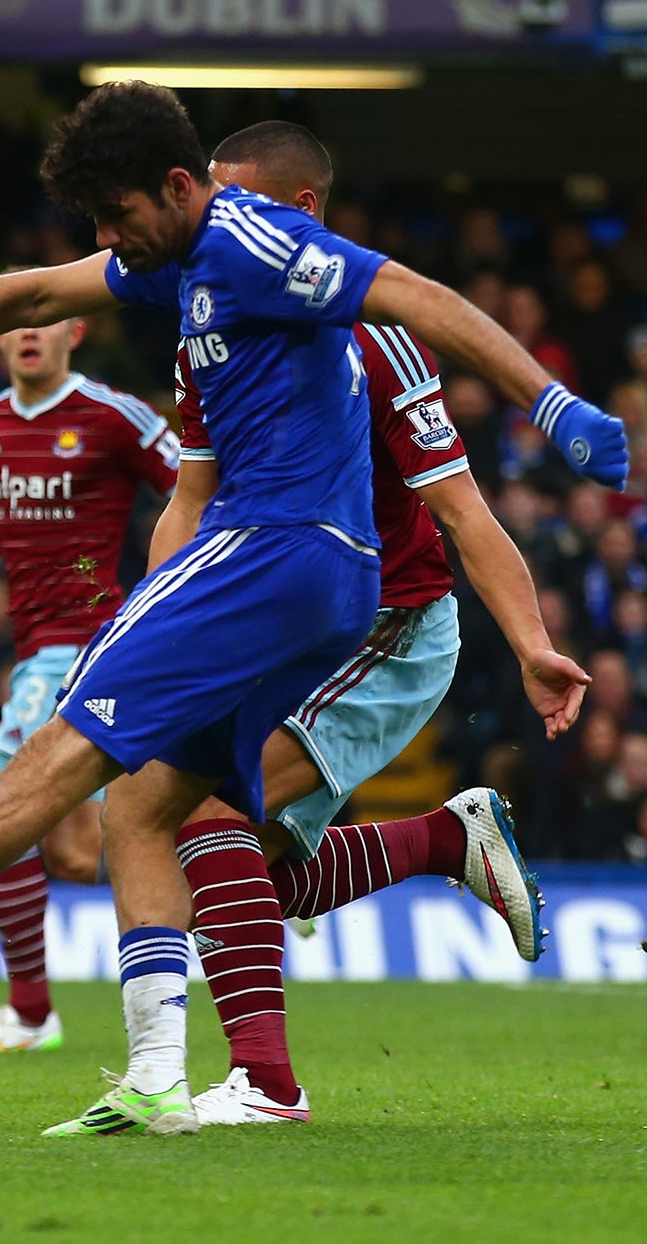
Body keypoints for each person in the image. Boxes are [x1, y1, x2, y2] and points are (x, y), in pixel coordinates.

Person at [0, 80, 625, 1137]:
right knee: (145, 807)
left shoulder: (253, 244)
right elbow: (33, 294)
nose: (109, 244)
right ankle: (159, 1074)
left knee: (56, 763)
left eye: (118, 218)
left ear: (180, 187)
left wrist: (550, 401)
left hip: (283, 559)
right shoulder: (190, 278)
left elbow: (416, 298)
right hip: (282, 570)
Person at [159, 122, 582, 1123]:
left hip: (385, 626)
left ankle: (264, 1088)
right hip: (272, 620)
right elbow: (187, 497)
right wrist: (155, 619)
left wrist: (528, 645)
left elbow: (461, 510)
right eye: (209, 203)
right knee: (260, 869)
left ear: (302, 215)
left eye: (238, 202)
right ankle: (445, 840)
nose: (217, 223)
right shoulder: (211, 318)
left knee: (205, 808)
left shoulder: (372, 335)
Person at [0, 317, 179, 1054]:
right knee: (70, 854)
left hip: (94, 640)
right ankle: (261, 876)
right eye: (13, 325)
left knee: (1, 815)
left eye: (43, 321)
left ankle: (30, 1013)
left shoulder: (113, 414)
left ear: (77, 329)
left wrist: (180, 583)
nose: (27, 334)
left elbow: (196, 486)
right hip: (38, 649)